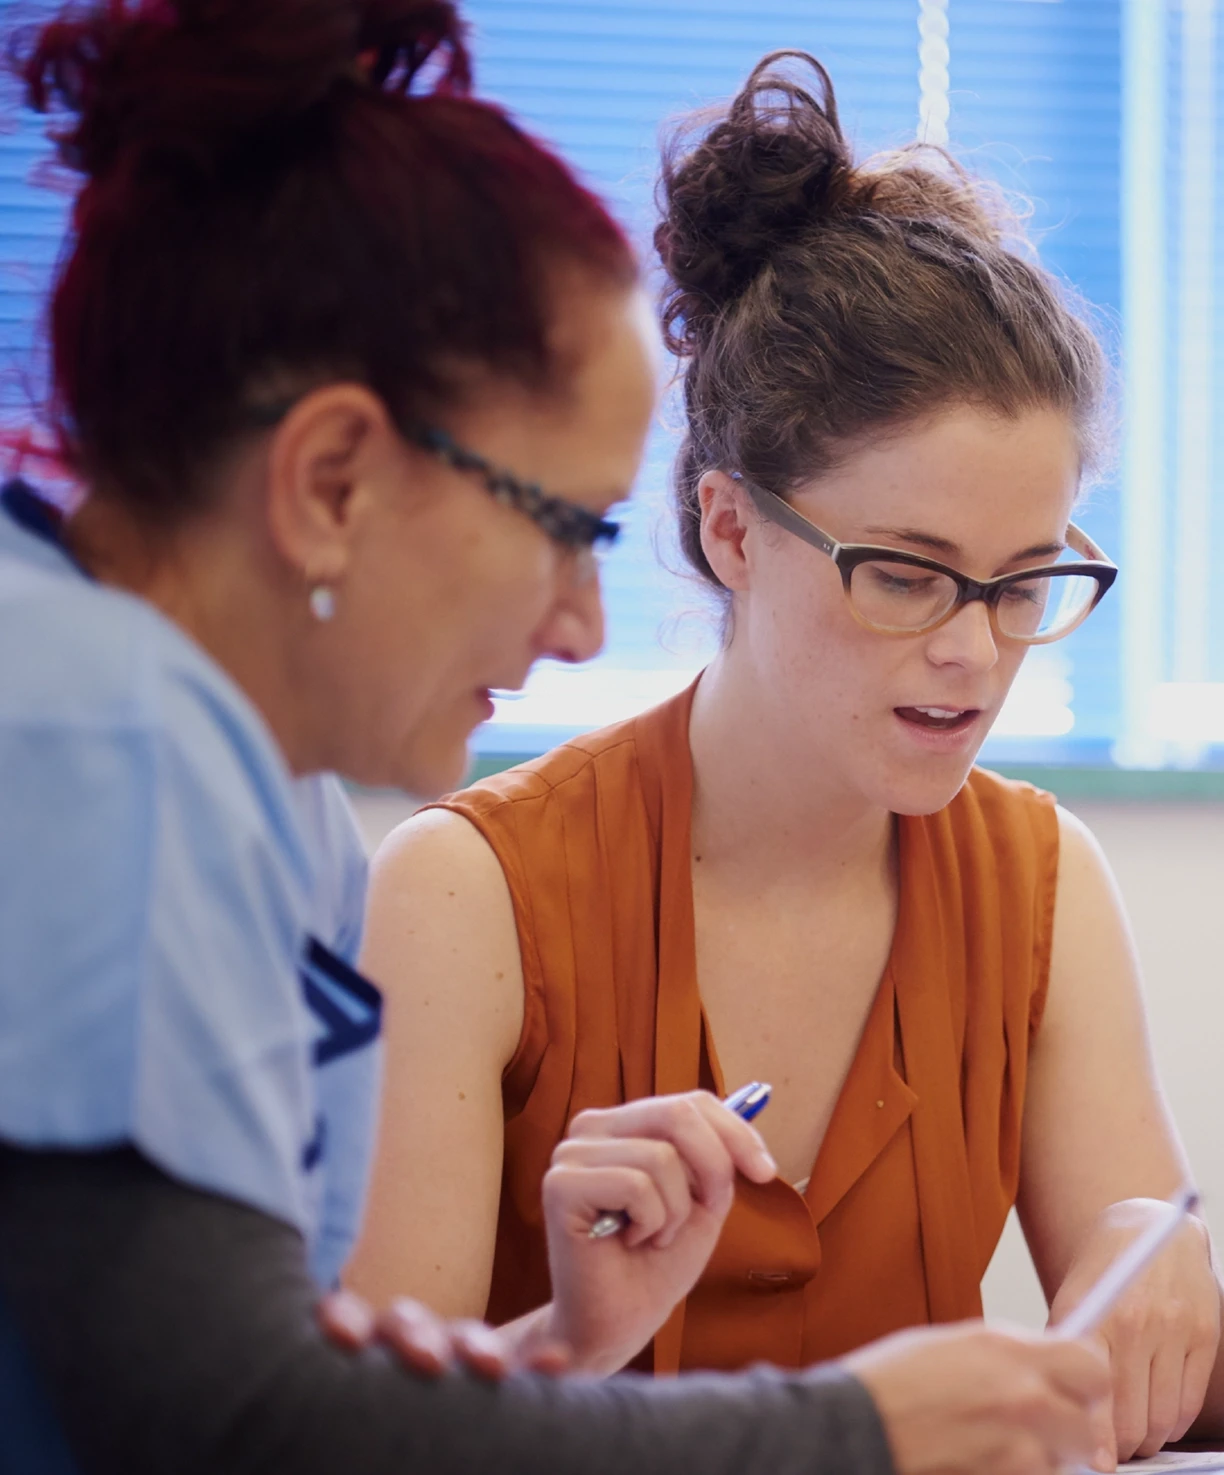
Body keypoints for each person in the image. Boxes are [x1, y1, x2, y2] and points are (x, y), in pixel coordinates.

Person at [0, 3, 1109, 1472]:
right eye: (561, 529)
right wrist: (858, 1430)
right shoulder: (96, 741)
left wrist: (559, 1351)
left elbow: (272, 1389)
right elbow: (231, 1424)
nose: (586, 625)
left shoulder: (251, 797)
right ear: (333, 479)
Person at [345, 51, 1224, 1469]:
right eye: (906, 574)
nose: (975, 652)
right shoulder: (467, 891)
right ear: (731, 530)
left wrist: (1159, 1255)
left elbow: (1203, 1415)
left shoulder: (1039, 881)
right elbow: (361, 1443)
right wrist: (571, 1343)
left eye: (1028, 581)